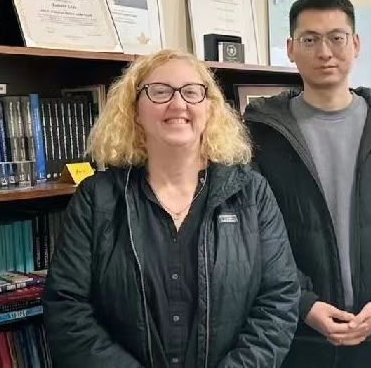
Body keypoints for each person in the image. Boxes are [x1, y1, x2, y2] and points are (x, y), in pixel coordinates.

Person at [43, 49, 300, 368]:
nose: (178, 104)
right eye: (160, 91)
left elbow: (278, 301)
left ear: (209, 109)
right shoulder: (97, 198)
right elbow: (67, 309)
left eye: (192, 92)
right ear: (135, 110)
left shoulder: (252, 193)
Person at [243, 0, 371, 368]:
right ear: (290, 48)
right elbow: (256, 235)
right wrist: (304, 304)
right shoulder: (261, 134)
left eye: (336, 38)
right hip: (295, 332)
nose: (324, 52)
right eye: (309, 40)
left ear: (355, 44)